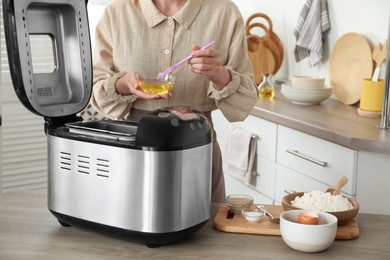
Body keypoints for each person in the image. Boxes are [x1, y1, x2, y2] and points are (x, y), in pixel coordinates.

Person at [91, 0, 258, 202]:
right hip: (134, 147)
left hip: (198, 148)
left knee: (204, 228)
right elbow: (95, 87)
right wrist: (122, 84)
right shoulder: (116, 13)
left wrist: (220, 75)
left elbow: (246, 101)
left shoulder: (224, 13)